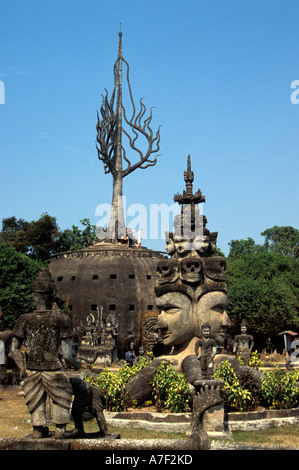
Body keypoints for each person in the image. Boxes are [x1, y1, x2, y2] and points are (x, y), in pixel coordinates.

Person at [10, 268, 79, 439]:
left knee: (36, 401)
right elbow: (68, 354)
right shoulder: (61, 319)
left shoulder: (24, 319)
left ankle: (37, 430)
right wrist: (76, 364)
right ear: (52, 295)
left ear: (34, 296)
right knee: (61, 398)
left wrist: (23, 368)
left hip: (32, 369)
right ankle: (60, 430)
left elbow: (14, 349)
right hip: (54, 369)